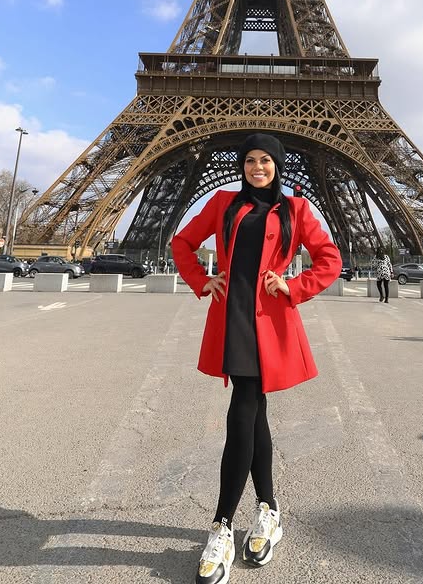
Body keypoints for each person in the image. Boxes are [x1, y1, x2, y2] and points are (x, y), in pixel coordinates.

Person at [172, 133, 342, 584]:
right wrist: (201, 280)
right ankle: (263, 510)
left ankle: (223, 524)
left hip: (268, 323)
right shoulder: (223, 203)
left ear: (277, 166)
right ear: (242, 166)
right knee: (251, 412)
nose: (257, 167)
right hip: (234, 320)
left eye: (266, 160)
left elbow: (329, 258)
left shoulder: (297, 210)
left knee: (245, 410)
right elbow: (182, 243)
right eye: (250, 160)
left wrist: (294, 285)